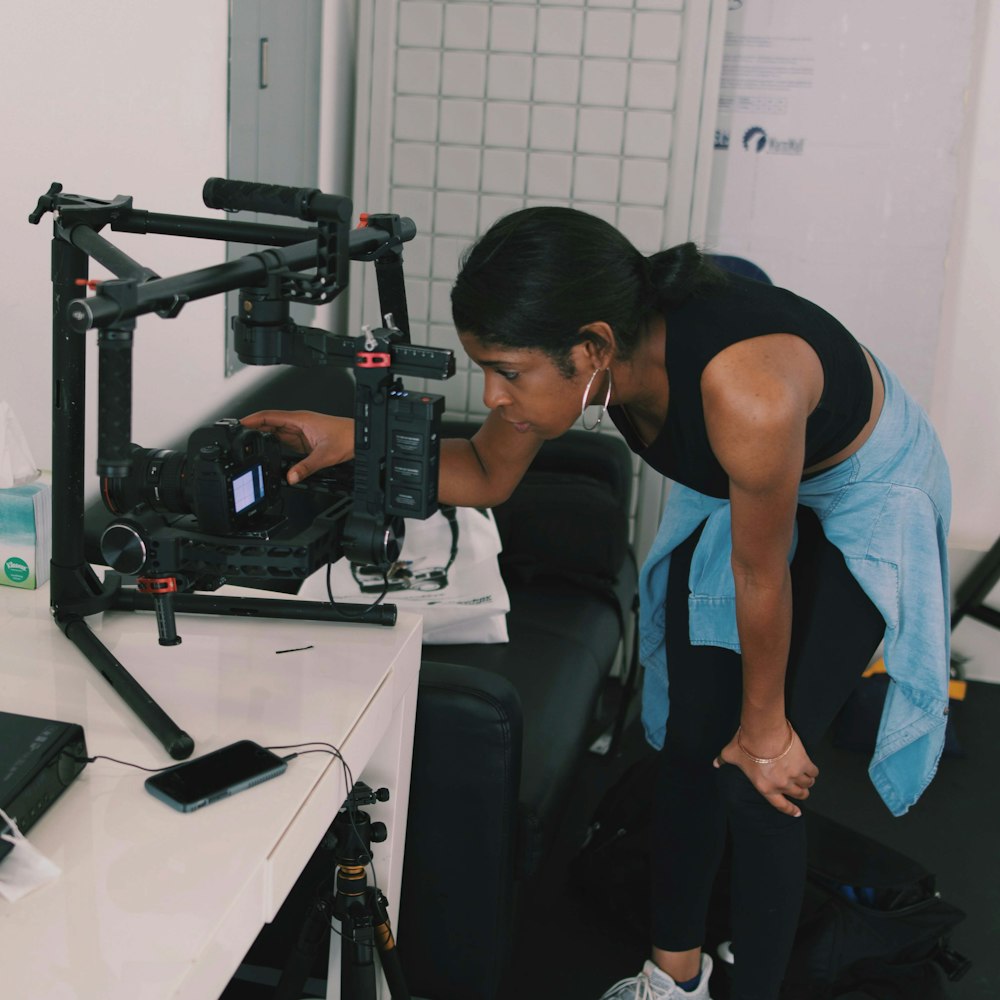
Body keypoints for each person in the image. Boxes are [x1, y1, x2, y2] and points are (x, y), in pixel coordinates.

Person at [242, 207, 952, 1000]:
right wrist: (346, 438)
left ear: (591, 350)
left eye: (508, 371)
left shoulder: (745, 394)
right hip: (753, 487)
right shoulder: (599, 349)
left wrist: (765, 731)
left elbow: (763, 577)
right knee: (690, 744)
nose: (494, 394)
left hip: (859, 489)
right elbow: (485, 471)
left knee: (757, 782)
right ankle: (672, 978)